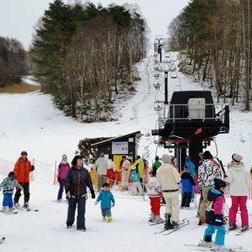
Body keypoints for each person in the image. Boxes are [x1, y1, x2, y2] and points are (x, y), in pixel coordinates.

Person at [65, 155, 95, 231]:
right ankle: (69, 223)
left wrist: (91, 190)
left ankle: (81, 226)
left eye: (81, 160)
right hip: (72, 194)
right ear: (75, 161)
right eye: (79, 160)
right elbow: (67, 181)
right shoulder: (71, 171)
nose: (81, 162)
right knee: (71, 210)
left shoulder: (85, 171)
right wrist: (67, 190)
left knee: (81, 210)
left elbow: (89, 182)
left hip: (82, 194)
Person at [200, 178, 227, 249]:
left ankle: (206, 241)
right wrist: (220, 216)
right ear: (221, 187)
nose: (224, 190)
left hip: (208, 214)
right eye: (224, 188)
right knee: (221, 229)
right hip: (216, 215)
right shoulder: (219, 197)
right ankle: (219, 245)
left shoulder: (211, 193)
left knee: (210, 228)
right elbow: (217, 208)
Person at [198, 151, 223, 225]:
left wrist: (201, 186)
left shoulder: (201, 166)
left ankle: (202, 218)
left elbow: (199, 178)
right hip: (212, 186)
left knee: (204, 201)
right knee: (214, 202)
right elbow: (218, 175)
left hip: (204, 186)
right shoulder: (214, 165)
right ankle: (213, 217)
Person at [157, 154, 181, 229]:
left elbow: (158, 179)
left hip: (165, 191)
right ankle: (174, 221)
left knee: (168, 205)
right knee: (175, 206)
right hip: (174, 190)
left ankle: (167, 221)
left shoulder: (159, 169)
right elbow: (178, 179)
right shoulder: (172, 168)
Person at [226, 153, 249, 231]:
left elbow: (229, 180)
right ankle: (245, 224)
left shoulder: (230, 169)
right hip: (243, 192)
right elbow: (248, 180)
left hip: (234, 192)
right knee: (243, 208)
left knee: (233, 207)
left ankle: (232, 224)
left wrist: (225, 176)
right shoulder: (244, 169)